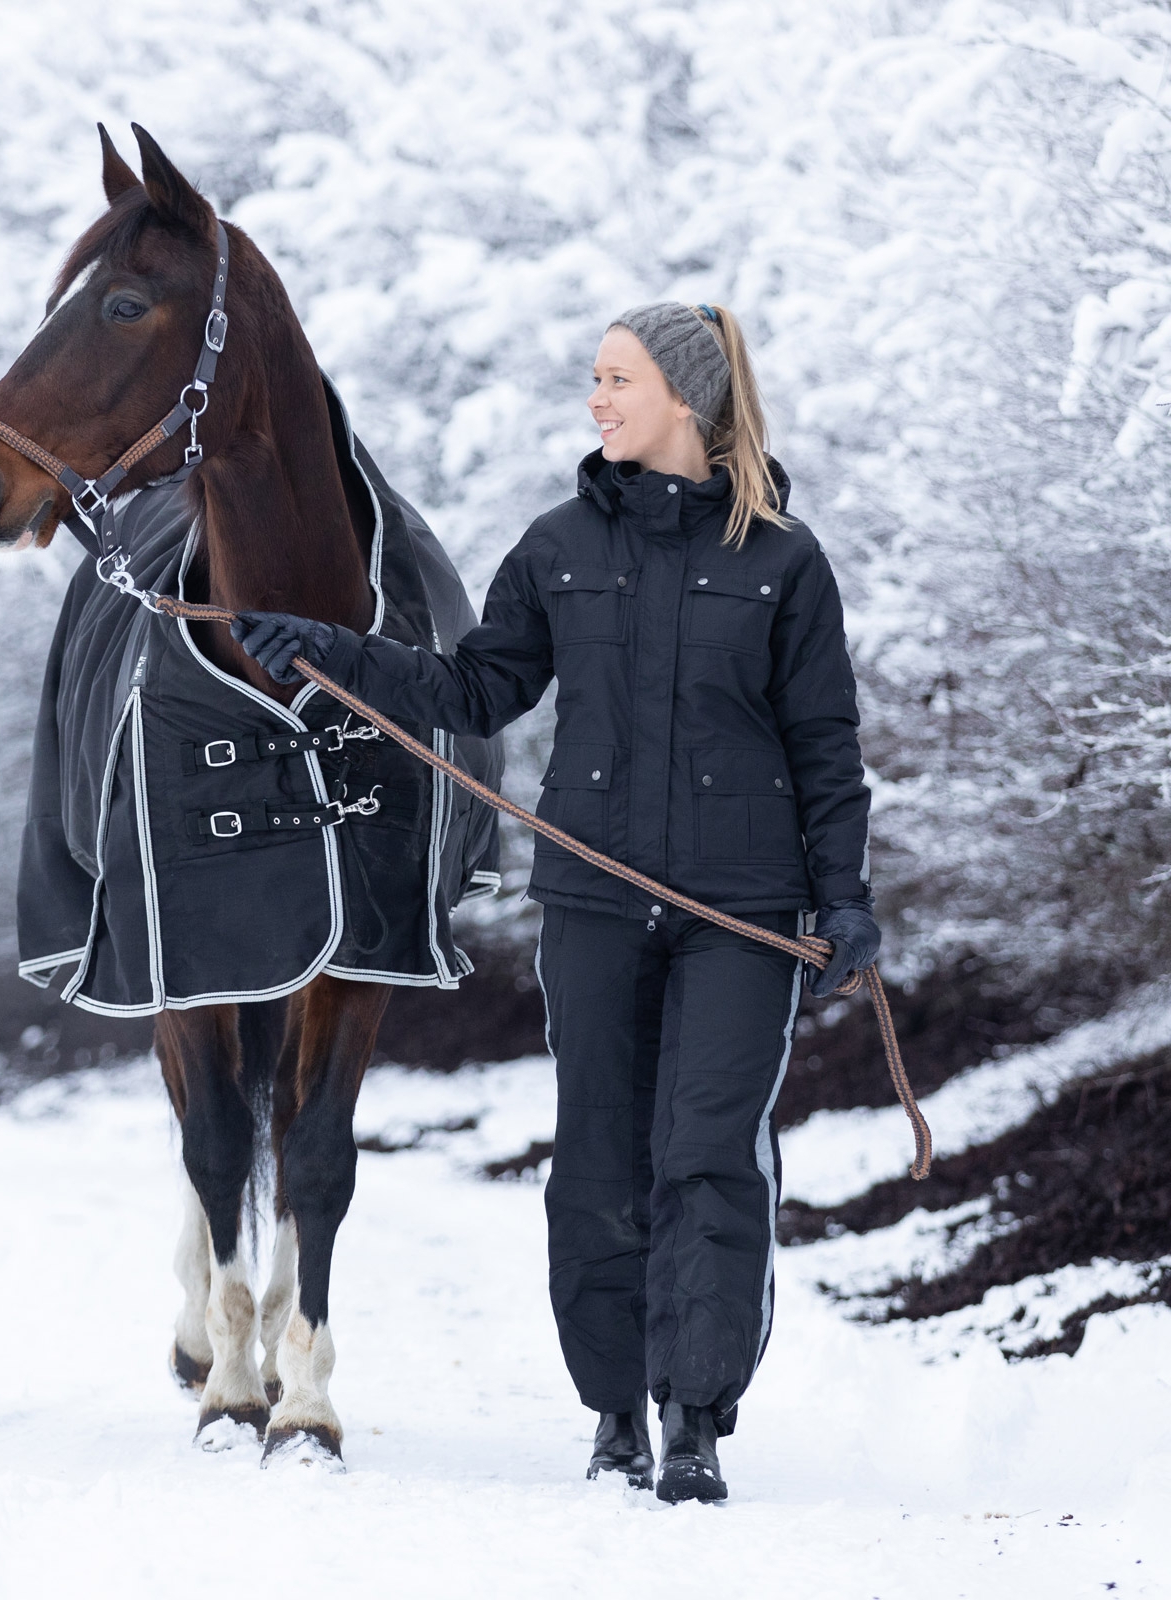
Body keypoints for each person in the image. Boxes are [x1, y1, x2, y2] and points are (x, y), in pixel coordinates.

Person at [230, 303, 877, 1504]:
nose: (595, 399)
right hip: (591, 900)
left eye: (615, 379)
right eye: (593, 379)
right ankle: (615, 1411)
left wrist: (845, 899)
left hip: (743, 910)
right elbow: (475, 689)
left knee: (708, 1156)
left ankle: (694, 1416)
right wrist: (325, 648)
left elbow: (826, 745)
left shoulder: (784, 560)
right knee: (593, 1161)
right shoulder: (557, 545)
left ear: (683, 397)